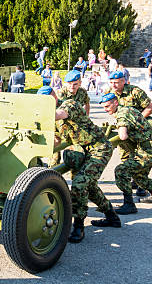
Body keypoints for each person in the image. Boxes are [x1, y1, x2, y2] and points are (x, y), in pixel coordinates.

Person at [37, 86, 120, 243]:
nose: (44, 104)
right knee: (90, 186)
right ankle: (112, 216)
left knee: (80, 184)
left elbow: (60, 114)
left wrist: (34, 114)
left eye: (46, 100)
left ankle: (79, 227)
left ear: (54, 96)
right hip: (82, 150)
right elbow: (57, 140)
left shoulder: (69, 104)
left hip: (98, 147)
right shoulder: (52, 118)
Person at [99, 93, 152, 214]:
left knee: (121, 170)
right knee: (139, 175)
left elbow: (123, 136)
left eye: (107, 106)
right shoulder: (128, 109)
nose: (105, 109)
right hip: (151, 148)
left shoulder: (122, 115)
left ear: (116, 103)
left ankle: (129, 205)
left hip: (147, 151)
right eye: (104, 107)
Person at [50, 70, 91, 166]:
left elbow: (87, 104)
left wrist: (86, 117)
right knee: (55, 151)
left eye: (75, 84)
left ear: (80, 83)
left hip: (75, 126)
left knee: (75, 152)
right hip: (59, 125)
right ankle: (51, 170)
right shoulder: (60, 94)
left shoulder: (82, 92)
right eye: (69, 84)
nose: (72, 87)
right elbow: (54, 112)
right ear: (65, 84)